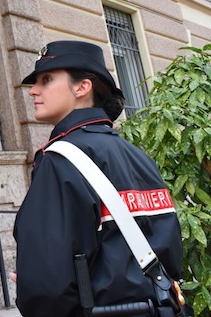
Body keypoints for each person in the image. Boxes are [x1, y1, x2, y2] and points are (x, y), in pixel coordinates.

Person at [12, 40, 184, 316]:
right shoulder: (137, 156)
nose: (33, 90)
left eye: (46, 80)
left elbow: (48, 288)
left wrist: (36, 289)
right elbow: (171, 253)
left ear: (82, 87)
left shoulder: (60, 159)